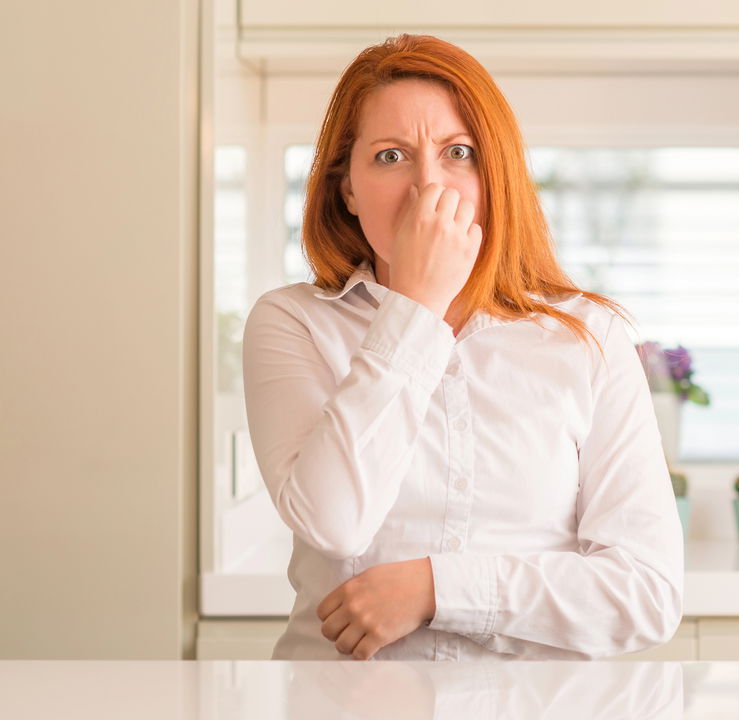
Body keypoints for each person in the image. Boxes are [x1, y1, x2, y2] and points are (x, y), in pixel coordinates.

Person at [241, 34, 684, 661]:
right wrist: (415, 307)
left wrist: (436, 588)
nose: (428, 187)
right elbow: (334, 525)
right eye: (391, 156)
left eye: (458, 153)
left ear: (494, 175)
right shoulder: (292, 322)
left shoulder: (588, 337)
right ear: (346, 190)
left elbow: (644, 593)